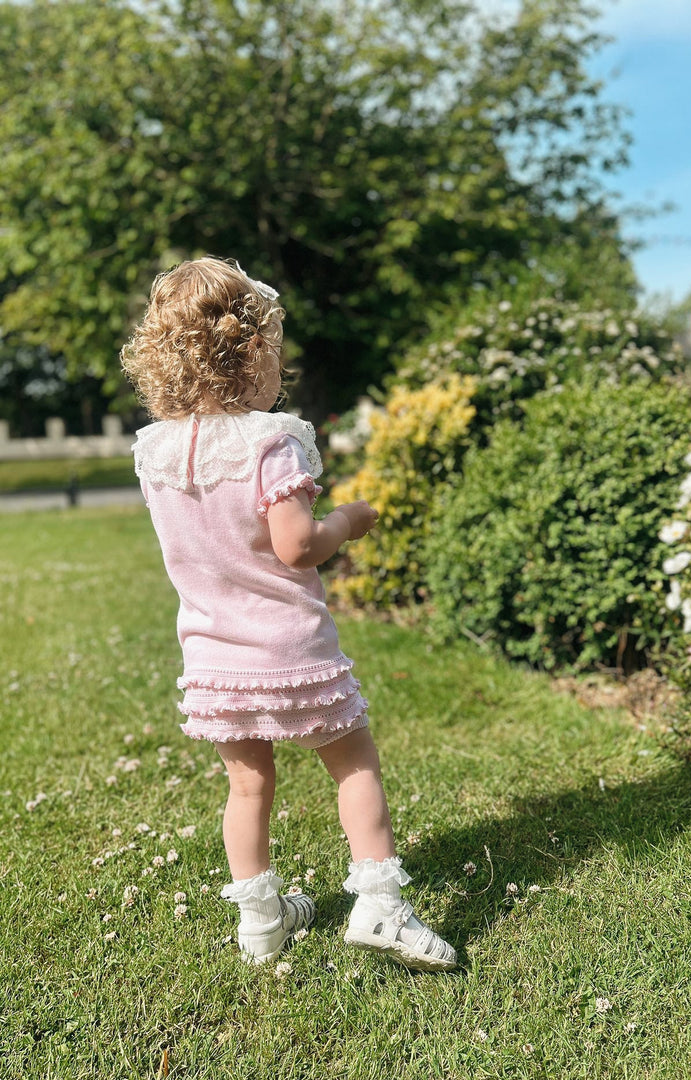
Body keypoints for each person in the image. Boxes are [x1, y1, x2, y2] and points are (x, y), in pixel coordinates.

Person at [121, 256, 456, 972]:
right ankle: (380, 908)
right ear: (251, 355)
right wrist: (345, 521)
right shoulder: (267, 440)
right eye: (274, 350)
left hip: (212, 656)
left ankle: (261, 925)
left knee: (247, 786)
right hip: (289, 650)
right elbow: (296, 545)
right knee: (354, 764)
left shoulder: (154, 453)